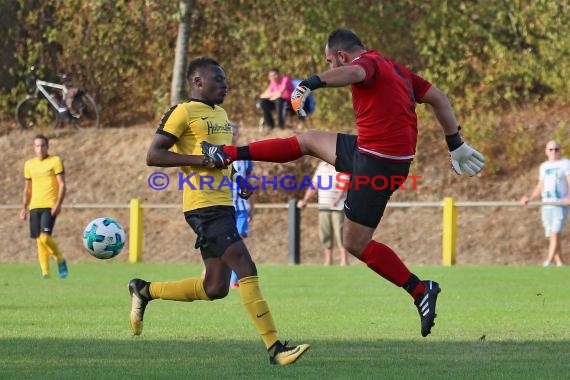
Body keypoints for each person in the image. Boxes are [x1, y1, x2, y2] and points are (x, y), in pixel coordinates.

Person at [201, 28, 485, 338]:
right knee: (308, 140)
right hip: (371, 150)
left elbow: (356, 71)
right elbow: (437, 97)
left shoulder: (366, 65)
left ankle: (420, 290)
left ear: (340, 56)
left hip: (378, 162)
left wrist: (310, 82)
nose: (332, 67)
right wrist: (454, 141)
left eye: (330, 61)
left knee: (353, 243)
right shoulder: (395, 69)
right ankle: (227, 154)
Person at [130, 57, 309, 366]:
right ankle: (274, 348)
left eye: (225, 80)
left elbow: (221, 159)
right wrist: (201, 160)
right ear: (197, 82)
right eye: (218, 80)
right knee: (245, 265)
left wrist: (237, 178)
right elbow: (153, 155)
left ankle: (144, 290)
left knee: (214, 288)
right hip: (202, 206)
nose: (225, 85)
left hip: (223, 204)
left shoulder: (222, 115)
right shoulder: (182, 111)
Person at [19, 134, 68, 279]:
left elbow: (62, 184)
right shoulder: (29, 164)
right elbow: (28, 188)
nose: (40, 149)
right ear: (33, 148)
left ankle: (60, 259)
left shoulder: (55, 161)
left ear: (47, 147)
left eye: (42, 145)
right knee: (39, 241)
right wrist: (24, 207)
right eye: (37, 146)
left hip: (49, 205)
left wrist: (58, 204)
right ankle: (45, 272)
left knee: (45, 237)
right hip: (35, 205)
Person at [520, 140, 570, 267]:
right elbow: (540, 185)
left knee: (555, 232)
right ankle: (559, 263)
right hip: (546, 204)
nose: (554, 152)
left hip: (560, 204)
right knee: (551, 234)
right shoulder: (544, 166)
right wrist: (530, 198)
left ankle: (548, 261)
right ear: (546, 151)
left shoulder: (565, 164)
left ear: (560, 151)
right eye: (551, 149)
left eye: (556, 149)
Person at [297, 161, 349, 266]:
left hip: (338, 208)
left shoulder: (342, 164)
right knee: (325, 234)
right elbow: (314, 185)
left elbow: (343, 185)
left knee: (340, 233)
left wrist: (337, 199)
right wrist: (305, 200)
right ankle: (328, 260)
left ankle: (344, 260)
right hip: (323, 207)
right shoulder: (322, 166)